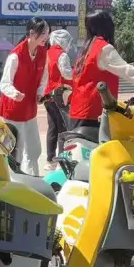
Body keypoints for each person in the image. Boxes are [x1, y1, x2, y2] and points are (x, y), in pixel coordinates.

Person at [69, 10, 134, 130]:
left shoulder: (85, 50)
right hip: (94, 114)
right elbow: (129, 72)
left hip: (78, 113)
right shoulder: (103, 49)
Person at [0, 18, 51, 175]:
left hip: (30, 109)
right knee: (15, 149)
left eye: (47, 33)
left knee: (34, 149)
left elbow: (44, 76)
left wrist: (40, 92)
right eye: (43, 33)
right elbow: (4, 83)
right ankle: (12, 178)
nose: (46, 37)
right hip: (13, 111)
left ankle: (33, 177)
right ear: (32, 33)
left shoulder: (43, 53)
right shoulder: (15, 56)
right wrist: (14, 93)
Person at [42, 29, 73, 169]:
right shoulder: (62, 55)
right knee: (63, 127)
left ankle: (50, 160)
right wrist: (77, 73)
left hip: (47, 95)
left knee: (52, 127)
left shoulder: (47, 53)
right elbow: (66, 74)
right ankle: (62, 160)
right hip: (59, 94)